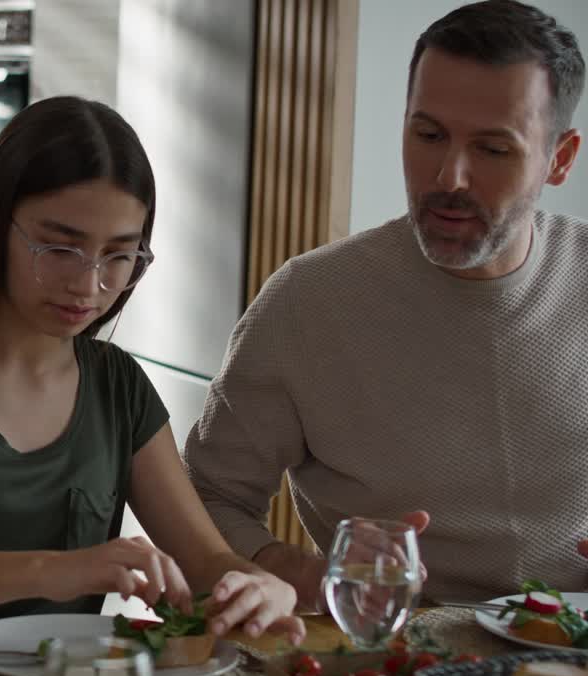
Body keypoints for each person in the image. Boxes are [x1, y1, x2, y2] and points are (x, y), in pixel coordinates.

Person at [0, 95, 306, 641]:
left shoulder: (118, 387)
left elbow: (207, 563)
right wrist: (53, 570)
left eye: (119, 255)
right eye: (60, 248)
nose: (89, 285)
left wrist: (260, 584)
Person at [186, 0, 586, 608]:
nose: (450, 176)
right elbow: (206, 497)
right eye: (428, 135)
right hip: (390, 658)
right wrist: (301, 574)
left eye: (493, 150)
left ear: (559, 159)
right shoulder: (308, 303)